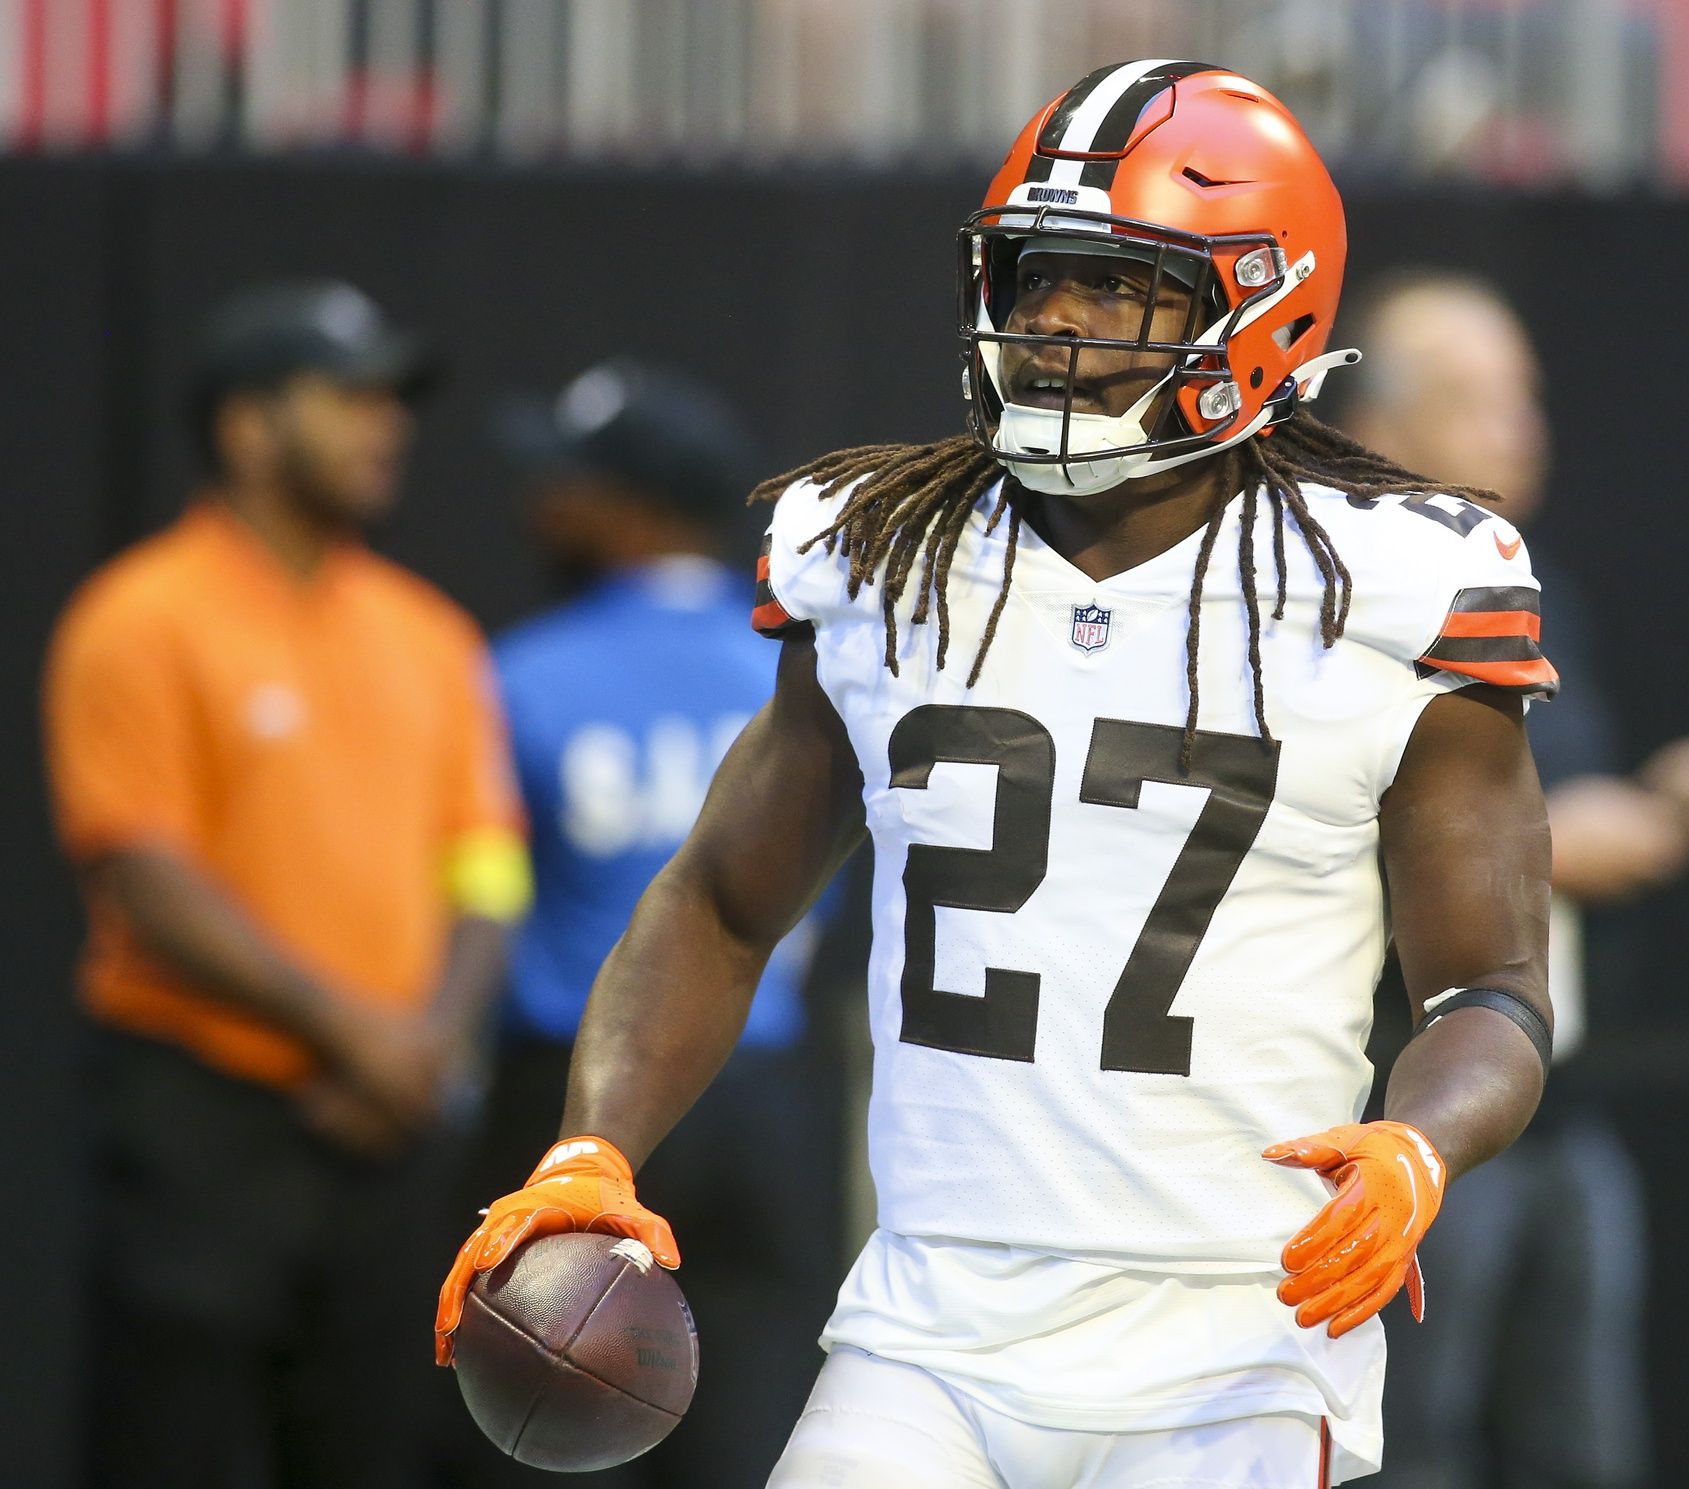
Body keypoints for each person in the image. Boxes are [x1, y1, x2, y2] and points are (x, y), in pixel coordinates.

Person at [436, 61, 1559, 1487]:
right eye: (1034, 281)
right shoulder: (884, 559)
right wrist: (589, 1150)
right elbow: (721, 903)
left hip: (1239, 1335)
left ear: (1261, 306)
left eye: (1115, 289)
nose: (1055, 327)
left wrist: (1418, 1143)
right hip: (929, 1326)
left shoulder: (1394, 588)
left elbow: (1490, 994)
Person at [44, 279, 527, 1489]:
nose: (388, 427)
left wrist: (428, 1050)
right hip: (206, 1117)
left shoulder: (429, 634)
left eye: (391, 402)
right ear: (247, 429)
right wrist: (356, 1035)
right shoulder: (140, 619)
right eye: (349, 399)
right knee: (173, 1450)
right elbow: (145, 874)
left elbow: (485, 861)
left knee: (369, 1451)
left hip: (389, 1126)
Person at [1333, 270, 1689, 1489]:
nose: (1518, 424)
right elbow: (1330, 822)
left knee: (1579, 1442)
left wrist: (1665, 797)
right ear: (1380, 426)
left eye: (1523, 394)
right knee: (1405, 1440)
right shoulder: (1334, 595)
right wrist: (1558, 845)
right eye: (1475, 398)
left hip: (1560, 1104)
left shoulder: (1525, 586)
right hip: (1408, 1108)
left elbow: (1553, 790)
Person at [445, 358, 845, 1487]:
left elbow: (476, 889)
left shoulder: (518, 674)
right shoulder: (797, 670)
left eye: (560, 481)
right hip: (765, 1092)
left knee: (547, 1421)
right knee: (755, 1422)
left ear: (626, 506)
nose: (537, 504)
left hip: (579, 1100)